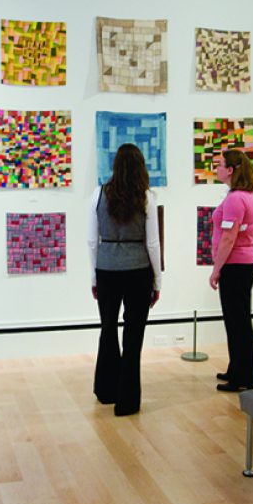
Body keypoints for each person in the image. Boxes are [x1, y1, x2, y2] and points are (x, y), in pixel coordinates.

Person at [87, 144, 162, 416]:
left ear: (115, 166)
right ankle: (127, 400)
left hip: (106, 270)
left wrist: (94, 277)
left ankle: (106, 390)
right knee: (133, 337)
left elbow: (91, 240)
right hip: (138, 271)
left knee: (108, 330)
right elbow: (152, 243)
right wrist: (158, 281)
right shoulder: (146, 198)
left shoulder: (98, 194)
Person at [209, 149, 253, 392]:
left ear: (230, 170)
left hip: (236, 265)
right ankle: (237, 368)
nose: (216, 169)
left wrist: (216, 269)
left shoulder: (235, 199)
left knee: (237, 321)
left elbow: (229, 238)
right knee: (237, 319)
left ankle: (244, 377)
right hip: (244, 262)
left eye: (219, 165)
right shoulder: (246, 196)